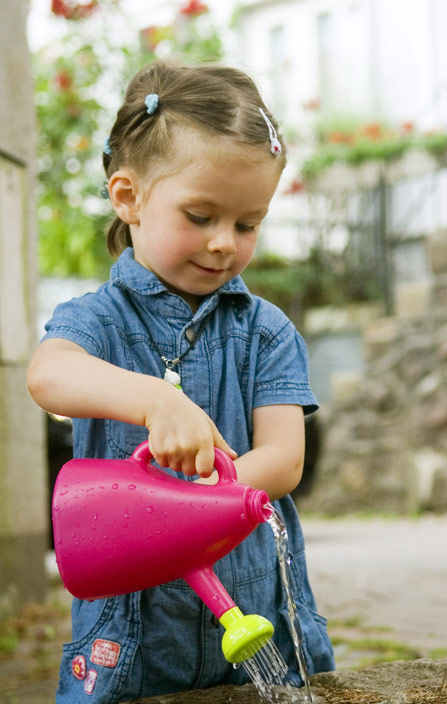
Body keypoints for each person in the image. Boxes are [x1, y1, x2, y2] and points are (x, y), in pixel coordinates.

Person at [27, 59, 335, 702]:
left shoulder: (266, 331)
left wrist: (181, 512)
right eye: (200, 216)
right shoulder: (95, 321)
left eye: (248, 224)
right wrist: (153, 399)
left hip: (256, 618)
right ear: (128, 197)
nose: (225, 242)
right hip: (129, 638)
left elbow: (280, 461)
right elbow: (48, 375)